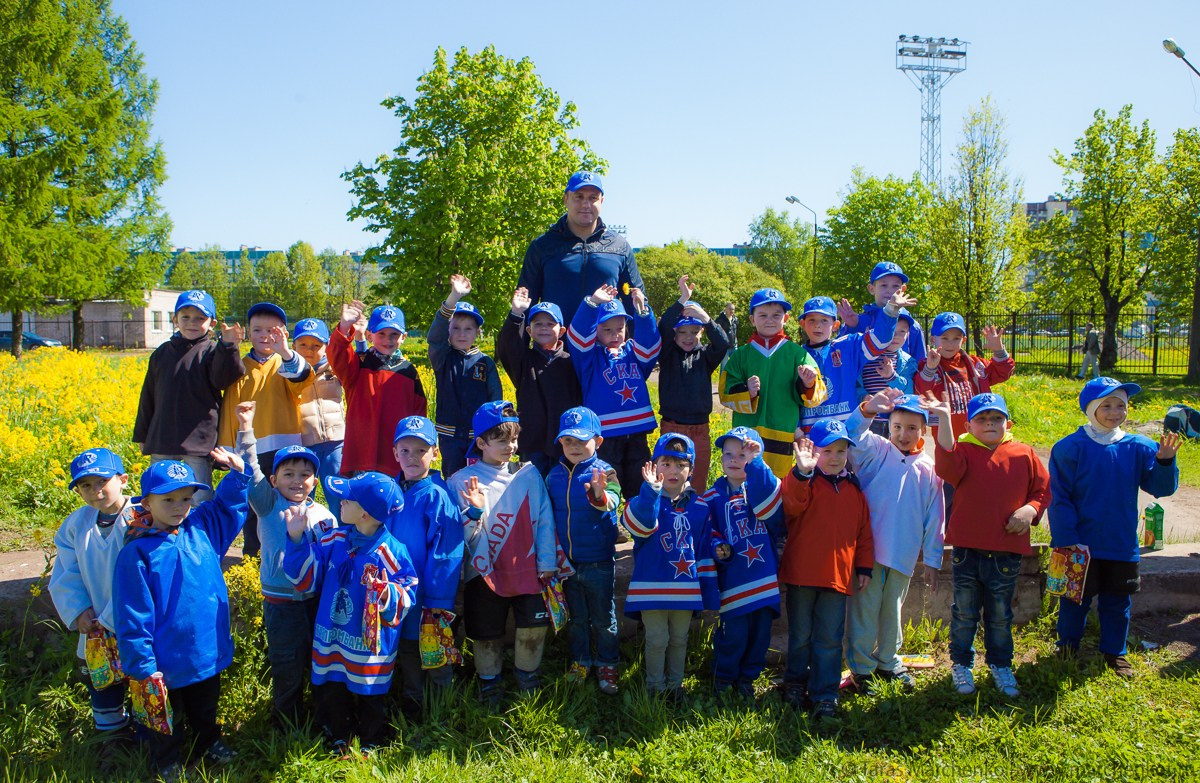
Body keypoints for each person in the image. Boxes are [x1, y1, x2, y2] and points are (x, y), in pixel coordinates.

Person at [112, 451, 251, 778]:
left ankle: (208, 742)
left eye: (186, 498)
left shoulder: (202, 527)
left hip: (205, 648)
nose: (179, 507)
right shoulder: (136, 553)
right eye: (169, 499)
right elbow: (133, 614)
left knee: (206, 705)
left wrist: (240, 475)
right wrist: (143, 666)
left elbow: (226, 507)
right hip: (165, 660)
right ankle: (167, 760)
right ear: (146, 502)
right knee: (165, 715)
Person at [1049, 377, 1180, 676]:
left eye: (1120, 405)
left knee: (1118, 601)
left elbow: (1160, 488)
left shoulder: (1140, 446)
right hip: (1078, 543)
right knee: (1073, 598)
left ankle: (1115, 652)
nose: (1114, 412)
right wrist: (1068, 539)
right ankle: (1067, 646)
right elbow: (1059, 498)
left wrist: (1164, 461)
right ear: (1090, 408)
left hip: (1120, 542)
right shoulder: (1069, 448)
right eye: (1106, 405)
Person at [284, 472, 418, 755]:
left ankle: (371, 738)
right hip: (332, 636)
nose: (340, 501)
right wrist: (296, 539)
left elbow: (408, 592)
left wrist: (387, 593)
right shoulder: (334, 540)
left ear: (366, 514)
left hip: (366, 644)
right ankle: (339, 734)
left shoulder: (390, 552)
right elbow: (304, 579)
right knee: (333, 687)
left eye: (348, 498)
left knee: (370, 692)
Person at [447, 401, 570, 704]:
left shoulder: (528, 475)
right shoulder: (460, 482)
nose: (510, 446)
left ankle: (528, 680)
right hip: (483, 573)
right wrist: (473, 511)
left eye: (514, 439)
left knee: (533, 629)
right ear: (481, 442)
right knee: (485, 634)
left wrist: (546, 562)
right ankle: (489, 684)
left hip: (529, 570)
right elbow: (457, 538)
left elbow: (544, 521)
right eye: (502, 440)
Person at [930, 393, 1050, 699]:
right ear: (969, 423)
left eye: (996, 418)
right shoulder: (965, 451)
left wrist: (1030, 510)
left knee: (999, 614)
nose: (990, 424)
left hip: (1006, 551)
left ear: (1007, 422)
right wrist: (944, 419)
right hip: (967, 551)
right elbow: (945, 466)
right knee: (964, 612)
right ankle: (961, 663)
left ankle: (1000, 664)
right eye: (982, 419)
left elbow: (1042, 489)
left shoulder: (1024, 453)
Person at [233, 402, 336, 728]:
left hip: (315, 603)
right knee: (286, 663)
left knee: (317, 663)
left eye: (305, 475)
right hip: (281, 603)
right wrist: (246, 425)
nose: (297, 480)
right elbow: (251, 469)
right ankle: (287, 721)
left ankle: (321, 718)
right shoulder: (267, 503)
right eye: (289, 474)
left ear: (315, 482)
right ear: (275, 480)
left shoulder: (322, 514)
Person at [842, 391, 945, 694]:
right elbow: (852, 435)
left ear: (923, 431)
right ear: (888, 427)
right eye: (898, 426)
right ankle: (861, 667)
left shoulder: (929, 469)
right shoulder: (877, 451)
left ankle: (887, 660)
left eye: (912, 428)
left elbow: (934, 518)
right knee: (864, 609)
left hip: (903, 553)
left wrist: (933, 560)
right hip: (869, 553)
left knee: (892, 611)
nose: (903, 434)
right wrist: (867, 411)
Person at [779, 420, 874, 721]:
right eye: (827, 450)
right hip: (801, 575)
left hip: (837, 578)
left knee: (830, 639)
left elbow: (864, 533)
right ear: (813, 452)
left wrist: (864, 566)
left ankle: (825, 694)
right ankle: (795, 683)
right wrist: (802, 472)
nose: (835, 457)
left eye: (841, 451)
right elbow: (791, 505)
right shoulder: (803, 481)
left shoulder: (855, 490)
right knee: (801, 636)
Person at [48, 449, 135, 751]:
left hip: (134, 621)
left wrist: (115, 615)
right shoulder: (76, 524)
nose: (95, 490)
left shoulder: (141, 518)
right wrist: (78, 611)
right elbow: (66, 572)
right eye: (85, 485)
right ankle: (112, 740)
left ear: (123, 479)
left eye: (102, 480)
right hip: (95, 626)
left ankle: (148, 738)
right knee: (103, 685)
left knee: (139, 679)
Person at [621, 434, 719, 697]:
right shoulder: (642, 502)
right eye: (665, 464)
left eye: (681, 465)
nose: (673, 471)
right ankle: (654, 687)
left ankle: (675, 686)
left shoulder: (700, 508)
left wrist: (707, 591)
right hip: (650, 585)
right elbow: (639, 527)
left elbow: (703, 551)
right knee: (657, 639)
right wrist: (650, 493)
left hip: (685, 588)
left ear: (691, 470)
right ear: (654, 467)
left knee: (679, 639)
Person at [134, 290, 245, 506]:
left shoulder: (212, 350)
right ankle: (163, 536)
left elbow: (224, 379)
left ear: (211, 323)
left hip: (198, 441)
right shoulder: (161, 353)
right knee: (159, 492)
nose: (192, 323)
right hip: (162, 439)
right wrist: (142, 433)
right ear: (175, 319)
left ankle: (199, 536)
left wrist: (229, 346)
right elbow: (148, 395)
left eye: (200, 318)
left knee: (198, 495)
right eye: (185, 317)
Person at [218, 301, 311, 558]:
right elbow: (228, 408)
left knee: (283, 504)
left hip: (283, 451)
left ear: (283, 334)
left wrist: (286, 352)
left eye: (272, 330)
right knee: (252, 508)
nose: (264, 336)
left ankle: (284, 554)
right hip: (250, 451)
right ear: (248, 333)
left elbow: (302, 377)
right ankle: (252, 555)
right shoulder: (239, 366)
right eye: (258, 330)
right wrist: (228, 449)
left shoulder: (285, 363)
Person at [389, 415, 466, 719]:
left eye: (421, 451)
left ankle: (444, 703)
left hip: (427, 596)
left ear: (435, 453)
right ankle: (413, 699)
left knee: (435, 649)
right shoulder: (391, 490)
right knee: (408, 648)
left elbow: (446, 553)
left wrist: (437, 602)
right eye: (405, 450)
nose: (412, 457)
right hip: (397, 593)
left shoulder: (436, 494)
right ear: (395, 453)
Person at [545, 406, 622, 694]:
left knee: (604, 617)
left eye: (581, 440)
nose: (574, 447)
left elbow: (611, 500)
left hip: (599, 561)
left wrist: (599, 496)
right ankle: (580, 660)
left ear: (598, 442)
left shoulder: (606, 472)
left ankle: (608, 663)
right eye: (568, 441)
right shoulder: (554, 475)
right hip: (567, 564)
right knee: (576, 619)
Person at [703, 427, 783, 696]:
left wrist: (758, 464)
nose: (735, 459)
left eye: (743, 454)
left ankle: (748, 679)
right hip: (734, 582)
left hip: (764, 579)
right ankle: (723, 680)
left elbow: (774, 515)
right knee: (733, 635)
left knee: (760, 637)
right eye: (728, 454)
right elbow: (706, 530)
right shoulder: (712, 497)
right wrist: (717, 546)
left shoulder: (764, 490)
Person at [719, 288, 827, 478]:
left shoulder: (798, 354)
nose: (770, 320)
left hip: (782, 435)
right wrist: (746, 391)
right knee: (743, 482)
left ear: (785, 318)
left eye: (776, 315)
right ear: (752, 319)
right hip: (745, 435)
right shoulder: (740, 356)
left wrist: (808, 384)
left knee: (776, 485)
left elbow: (817, 396)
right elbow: (725, 393)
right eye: (763, 315)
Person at [566, 283, 661, 501]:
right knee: (610, 481)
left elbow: (651, 347)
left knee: (639, 480)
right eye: (606, 329)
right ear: (596, 330)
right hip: (606, 434)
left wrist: (643, 313)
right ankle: (612, 524)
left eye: (619, 328)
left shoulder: (632, 351)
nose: (614, 334)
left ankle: (638, 521)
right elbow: (577, 338)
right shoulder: (589, 357)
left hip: (637, 431)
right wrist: (592, 304)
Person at [516, 171, 644, 320]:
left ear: (601, 201)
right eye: (579, 197)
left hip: (604, 342)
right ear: (566, 199)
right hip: (557, 342)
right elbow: (525, 304)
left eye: (593, 198)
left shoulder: (619, 246)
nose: (586, 204)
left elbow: (636, 304)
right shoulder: (542, 246)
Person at [328, 301, 427, 476]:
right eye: (381, 334)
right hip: (361, 454)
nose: (388, 340)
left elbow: (419, 414)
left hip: (395, 457)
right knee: (358, 502)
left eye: (394, 334)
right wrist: (344, 327)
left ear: (403, 337)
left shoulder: (409, 372)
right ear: (369, 335)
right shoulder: (359, 363)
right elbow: (337, 355)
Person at [798, 292, 913, 432]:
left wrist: (891, 309)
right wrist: (797, 432)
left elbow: (880, 340)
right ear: (803, 324)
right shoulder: (796, 355)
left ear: (835, 325)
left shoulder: (848, 346)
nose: (817, 326)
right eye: (812, 320)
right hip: (810, 433)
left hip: (847, 432)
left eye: (824, 320)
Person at [497, 290, 582, 476]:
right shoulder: (523, 361)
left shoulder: (571, 361)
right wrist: (516, 314)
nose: (544, 328)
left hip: (565, 442)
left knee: (562, 491)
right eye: (538, 324)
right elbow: (507, 346)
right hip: (532, 443)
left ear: (561, 331)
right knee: (533, 494)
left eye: (550, 324)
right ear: (529, 330)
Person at [657, 275, 729, 490]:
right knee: (669, 481)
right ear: (674, 333)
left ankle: (695, 520)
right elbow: (660, 331)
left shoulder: (706, 356)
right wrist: (682, 300)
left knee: (696, 482)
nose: (688, 337)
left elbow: (723, 343)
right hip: (672, 426)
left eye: (694, 332)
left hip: (700, 428)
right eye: (682, 332)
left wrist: (706, 319)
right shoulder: (667, 354)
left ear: (702, 332)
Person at [428, 275, 503, 476]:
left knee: (480, 479)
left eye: (468, 329)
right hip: (449, 436)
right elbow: (435, 336)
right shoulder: (442, 357)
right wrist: (454, 297)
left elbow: (495, 399)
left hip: (479, 437)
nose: (462, 334)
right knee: (453, 479)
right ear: (448, 332)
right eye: (456, 329)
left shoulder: (485, 362)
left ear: (477, 332)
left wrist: (493, 432)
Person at [914, 312, 1014, 441]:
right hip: (947, 431)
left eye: (956, 338)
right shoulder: (927, 365)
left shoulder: (975, 365)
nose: (950, 344)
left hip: (978, 430)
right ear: (933, 339)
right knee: (949, 460)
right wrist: (930, 368)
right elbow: (920, 390)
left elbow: (1003, 373)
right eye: (945, 338)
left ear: (964, 340)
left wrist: (999, 350)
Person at [291, 318, 346, 490]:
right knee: (303, 496)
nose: (309, 350)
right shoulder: (288, 374)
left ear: (327, 347)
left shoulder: (335, 370)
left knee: (337, 494)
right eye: (303, 345)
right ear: (293, 347)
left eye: (316, 345)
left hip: (336, 442)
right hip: (303, 443)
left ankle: (338, 518)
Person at [837, 261, 926, 359]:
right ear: (871, 289)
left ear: (903, 289)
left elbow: (920, 362)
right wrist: (851, 327)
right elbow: (841, 354)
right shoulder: (860, 321)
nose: (890, 291)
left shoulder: (912, 325)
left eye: (895, 286)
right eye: (884, 285)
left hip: (901, 374)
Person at [855, 310, 920, 437]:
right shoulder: (866, 357)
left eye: (902, 331)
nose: (896, 336)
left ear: (908, 334)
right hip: (869, 420)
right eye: (892, 330)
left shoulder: (908, 362)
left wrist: (892, 377)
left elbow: (909, 391)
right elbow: (855, 384)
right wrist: (863, 397)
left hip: (897, 423)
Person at [715, 302, 739, 369]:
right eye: (730, 309)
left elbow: (736, 332)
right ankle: (723, 380)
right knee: (724, 366)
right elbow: (716, 333)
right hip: (724, 347)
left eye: (733, 309)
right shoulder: (720, 319)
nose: (732, 311)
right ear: (725, 309)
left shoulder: (735, 319)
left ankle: (734, 379)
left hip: (734, 346)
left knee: (736, 365)